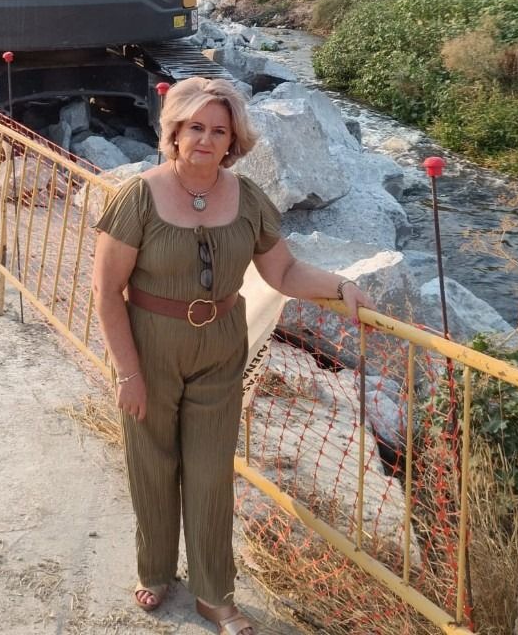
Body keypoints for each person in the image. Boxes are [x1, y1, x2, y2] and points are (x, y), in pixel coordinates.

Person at [92, 77, 374, 635]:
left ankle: (214, 595)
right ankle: (155, 571)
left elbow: (284, 272)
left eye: (218, 130)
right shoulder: (138, 195)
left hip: (221, 345)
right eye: (195, 127)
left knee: (209, 473)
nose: (205, 138)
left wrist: (340, 285)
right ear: (174, 133)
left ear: (232, 142)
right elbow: (105, 291)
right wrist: (127, 371)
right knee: (152, 464)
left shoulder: (249, 200)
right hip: (150, 345)